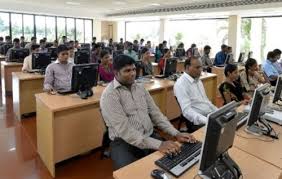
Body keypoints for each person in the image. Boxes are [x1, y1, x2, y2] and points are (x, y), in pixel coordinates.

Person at [100, 54, 196, 170]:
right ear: (116, 73)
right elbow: (125, 131)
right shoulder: (109, 96)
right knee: (131, 174)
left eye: (134, 69)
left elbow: (156, 115)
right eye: (127, 71)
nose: (133, 74)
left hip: (149, 135)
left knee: (175, 163)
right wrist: (159, 144)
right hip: (124, 142)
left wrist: (176, 133)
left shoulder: (140, 88)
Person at [174, 57, 218, 131]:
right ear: (188, 67)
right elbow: (187, 111)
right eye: (197, 67)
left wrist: (218, 112)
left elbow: (206, 101)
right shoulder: (181, 84)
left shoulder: (198, 80)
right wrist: (207, 120)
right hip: (198, 121)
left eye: (201, 67)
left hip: (209, 115)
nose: (201, 70)